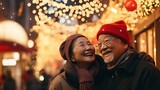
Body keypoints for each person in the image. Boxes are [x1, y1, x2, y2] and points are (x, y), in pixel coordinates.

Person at [96, 20, 160, 90]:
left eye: (107, 42)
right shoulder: (103, 74)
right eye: (99, 44)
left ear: (125, 44)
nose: (103, 48)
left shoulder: (146, 71)